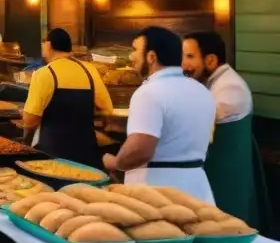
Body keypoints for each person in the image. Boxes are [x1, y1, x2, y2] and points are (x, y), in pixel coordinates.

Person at [104, 26, 216, 202]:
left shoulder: (148, 92)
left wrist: (115, 162)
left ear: (151, 57)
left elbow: (140, 150)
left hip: (157, 194)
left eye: (135, 50)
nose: (131, 56)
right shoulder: (203, 91)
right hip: (198, 189)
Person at [183, 31, 269, 228]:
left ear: (211, 60)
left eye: (189, 57)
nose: (183, 65)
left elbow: (198, 125)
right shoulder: (213, 82)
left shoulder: (229, 87)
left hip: (227, 175)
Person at [21, 28, 114, 168]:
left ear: (49, 45)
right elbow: (107, 109)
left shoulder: (44, 74)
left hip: (53, 155)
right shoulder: (89, 70)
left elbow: (29, 121)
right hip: (86, 155)